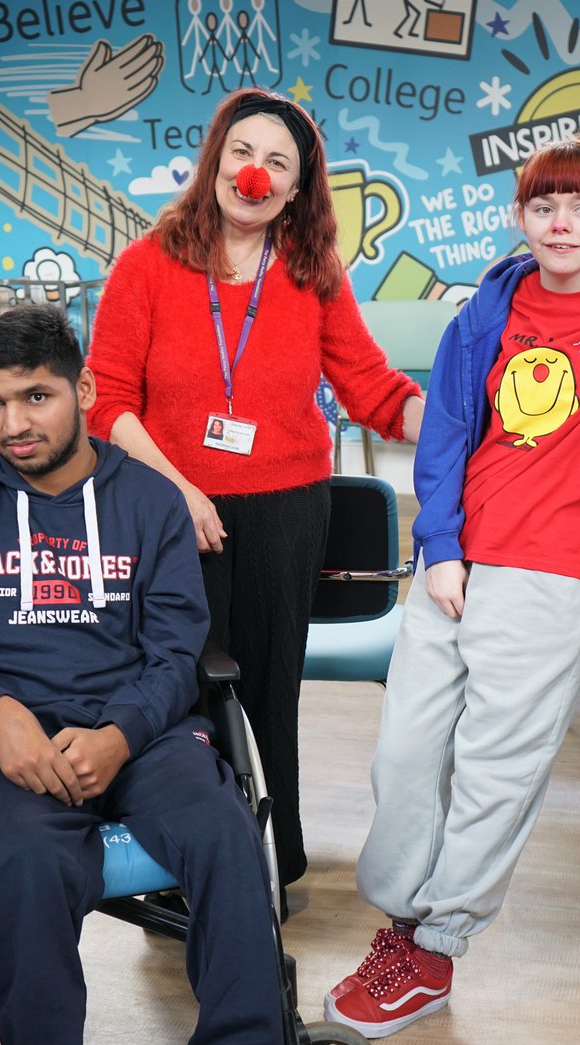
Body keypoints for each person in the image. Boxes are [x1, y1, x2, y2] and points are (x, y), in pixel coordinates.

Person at [324, 134, 580, 1038]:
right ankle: (402, 919)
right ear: (520, 216)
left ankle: (434, 949)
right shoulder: (486, 312)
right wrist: (440, 545)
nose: (561, 223)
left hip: (555, 576)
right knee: (405, 755)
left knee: (495, 773)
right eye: (544, 206)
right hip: (456, 564)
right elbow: (444, 434)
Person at [0, 304, 284, 1045]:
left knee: (223, 830)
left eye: (36, 396)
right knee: (36, 861)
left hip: (144, 734)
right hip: (7, 747)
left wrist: (121, 732)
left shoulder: (151, 501)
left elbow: (177, 651)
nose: (12, 424)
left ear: (86, 389)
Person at [86, 88, 423, 898]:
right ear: (215, 164)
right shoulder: (149, 264)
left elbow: (374, 388)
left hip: (286, 511)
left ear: (297, 189)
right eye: (243, 153)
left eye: (278, 162)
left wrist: (467, 425)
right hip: (168, 510)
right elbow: (108, 402)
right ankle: (179, 863)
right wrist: (181, 489)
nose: (255, 173)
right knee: (180, 689)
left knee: (269, 689)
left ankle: (273, 860)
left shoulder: (313, 272)